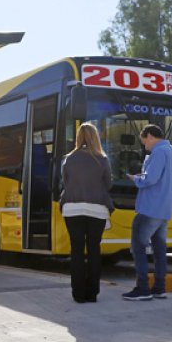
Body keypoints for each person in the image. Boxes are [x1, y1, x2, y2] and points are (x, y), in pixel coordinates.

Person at [123, 124, 172, 301]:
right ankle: (159, 288)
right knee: (159, 250)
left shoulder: (159, 152)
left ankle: (142, 288)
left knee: (138, 247)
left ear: (149, 136)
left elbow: (150, 178)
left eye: (144, 141)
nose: (144, 146)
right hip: (164, 209)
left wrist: (135, 178)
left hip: (150, 208)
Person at [60, 122, 115, 303]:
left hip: (72, 208)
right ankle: (92, 293)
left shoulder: (68, 158)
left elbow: (65, 182)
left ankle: (78, 294)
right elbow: (108, 184)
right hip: (96, 210)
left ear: (78, 137)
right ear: (96, 138)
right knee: (94, 250)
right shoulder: (103, 159)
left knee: (76, 250)